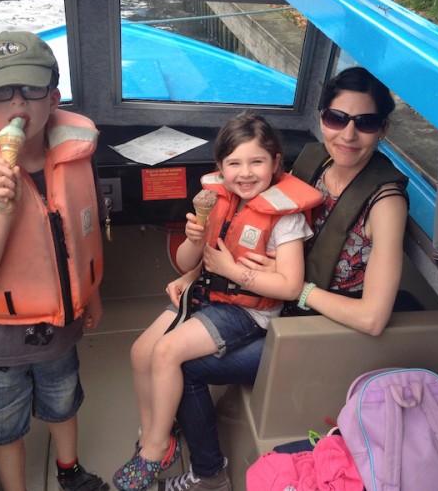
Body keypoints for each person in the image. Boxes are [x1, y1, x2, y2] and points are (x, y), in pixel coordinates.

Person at [159, 67, 410, 491]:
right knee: (170, 328)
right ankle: (177, 424)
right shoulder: (316, 165)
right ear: (321, 118)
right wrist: (198, 273)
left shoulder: (385, 204)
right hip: (272, 301)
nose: (347, 134)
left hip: (316, 329)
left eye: (364, 123)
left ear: (382, 129)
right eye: (336, 119)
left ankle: (208, 473)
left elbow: (372, 318)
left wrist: (299, 290)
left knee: (184, 363)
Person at [0, 31, 109, 491]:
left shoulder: (75, 156)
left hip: (61, 326)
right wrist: (4, 216)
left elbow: (80, 240)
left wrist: (91, 294)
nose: (17, 106)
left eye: (30, 91)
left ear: (53, 98)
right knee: (5, 427)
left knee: (63, 402)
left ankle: (69, 471)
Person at [113, 112, 323, 491]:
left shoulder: (286, 220)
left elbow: (291, 287)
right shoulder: (219, 202)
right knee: (141, 351)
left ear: (276, 163)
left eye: (257, 161)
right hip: (208, 293)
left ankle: (156, 448)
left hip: (247, 312)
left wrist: (232, 268)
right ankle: (155, 435)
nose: (245, 173)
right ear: (220, 167)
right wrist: (195, 241)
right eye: (234, 163)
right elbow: (186, 264)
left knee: (166, 353)